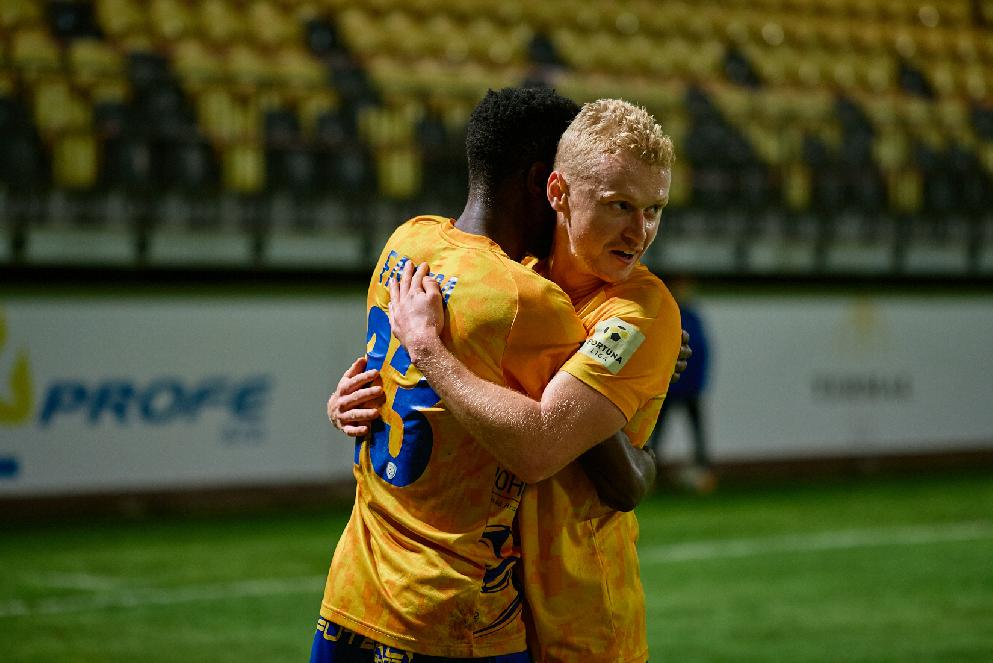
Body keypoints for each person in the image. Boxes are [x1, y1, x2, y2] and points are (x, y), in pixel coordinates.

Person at [313, 88, 677, 663]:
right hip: (469, 610)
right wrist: (361, 391)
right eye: (619, 206)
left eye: (654, 210)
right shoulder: (526, 293)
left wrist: (420, 352)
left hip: (567, 619)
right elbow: (607, 471)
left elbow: (579, 459)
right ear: (552, 189)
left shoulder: (413, 242)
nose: (641, 232)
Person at [647, 278, 715, 494]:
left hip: (690, 387)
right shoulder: (670, 316)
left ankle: (704, 472)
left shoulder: (693, 317)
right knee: (655, 432)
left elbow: (702, 353)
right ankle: (648, 473)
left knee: (696, 432)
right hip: (670, 387)